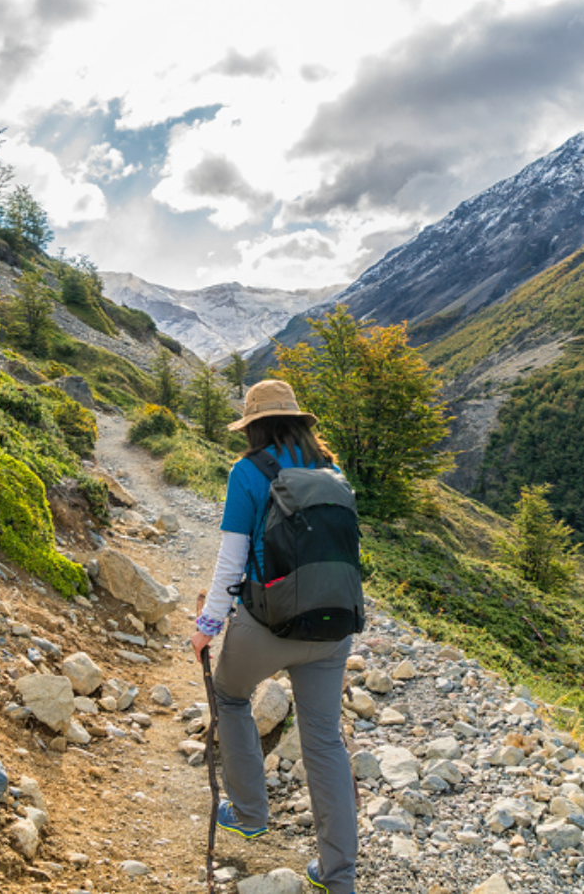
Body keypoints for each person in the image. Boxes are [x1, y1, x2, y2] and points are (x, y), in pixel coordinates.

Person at [191, 380, 357, 893]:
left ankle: (248, 813)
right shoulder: (332, 472)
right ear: (299, 422)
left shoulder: (248, 472)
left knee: (230, 694)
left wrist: (207, 627)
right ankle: (338, 876)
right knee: (324, 739)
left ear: (254, 425)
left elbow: (231, 561)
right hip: (334, 626)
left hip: (268, 624)